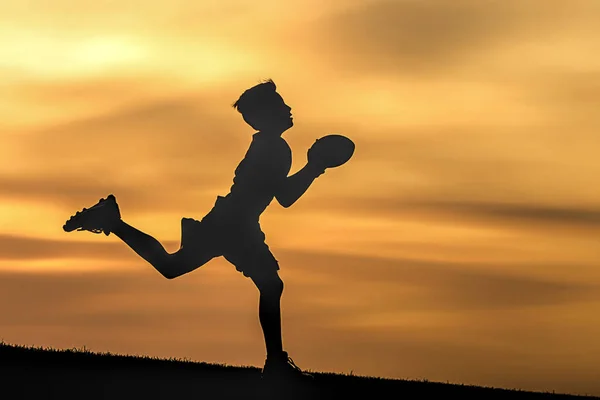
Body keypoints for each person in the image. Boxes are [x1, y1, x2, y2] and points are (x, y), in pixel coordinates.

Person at [63, 79, 328, 380]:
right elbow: (286, 197)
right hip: (235, 224)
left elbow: (279, 194)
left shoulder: (271, 146)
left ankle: (111, 221)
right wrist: (315, 167)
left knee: (173, 266)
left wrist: (313, 167)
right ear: (265, 115)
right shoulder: (275, 148)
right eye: (281, 105)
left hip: (232, 221)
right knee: (269, 285)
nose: (288, 108)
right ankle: (276, 364)